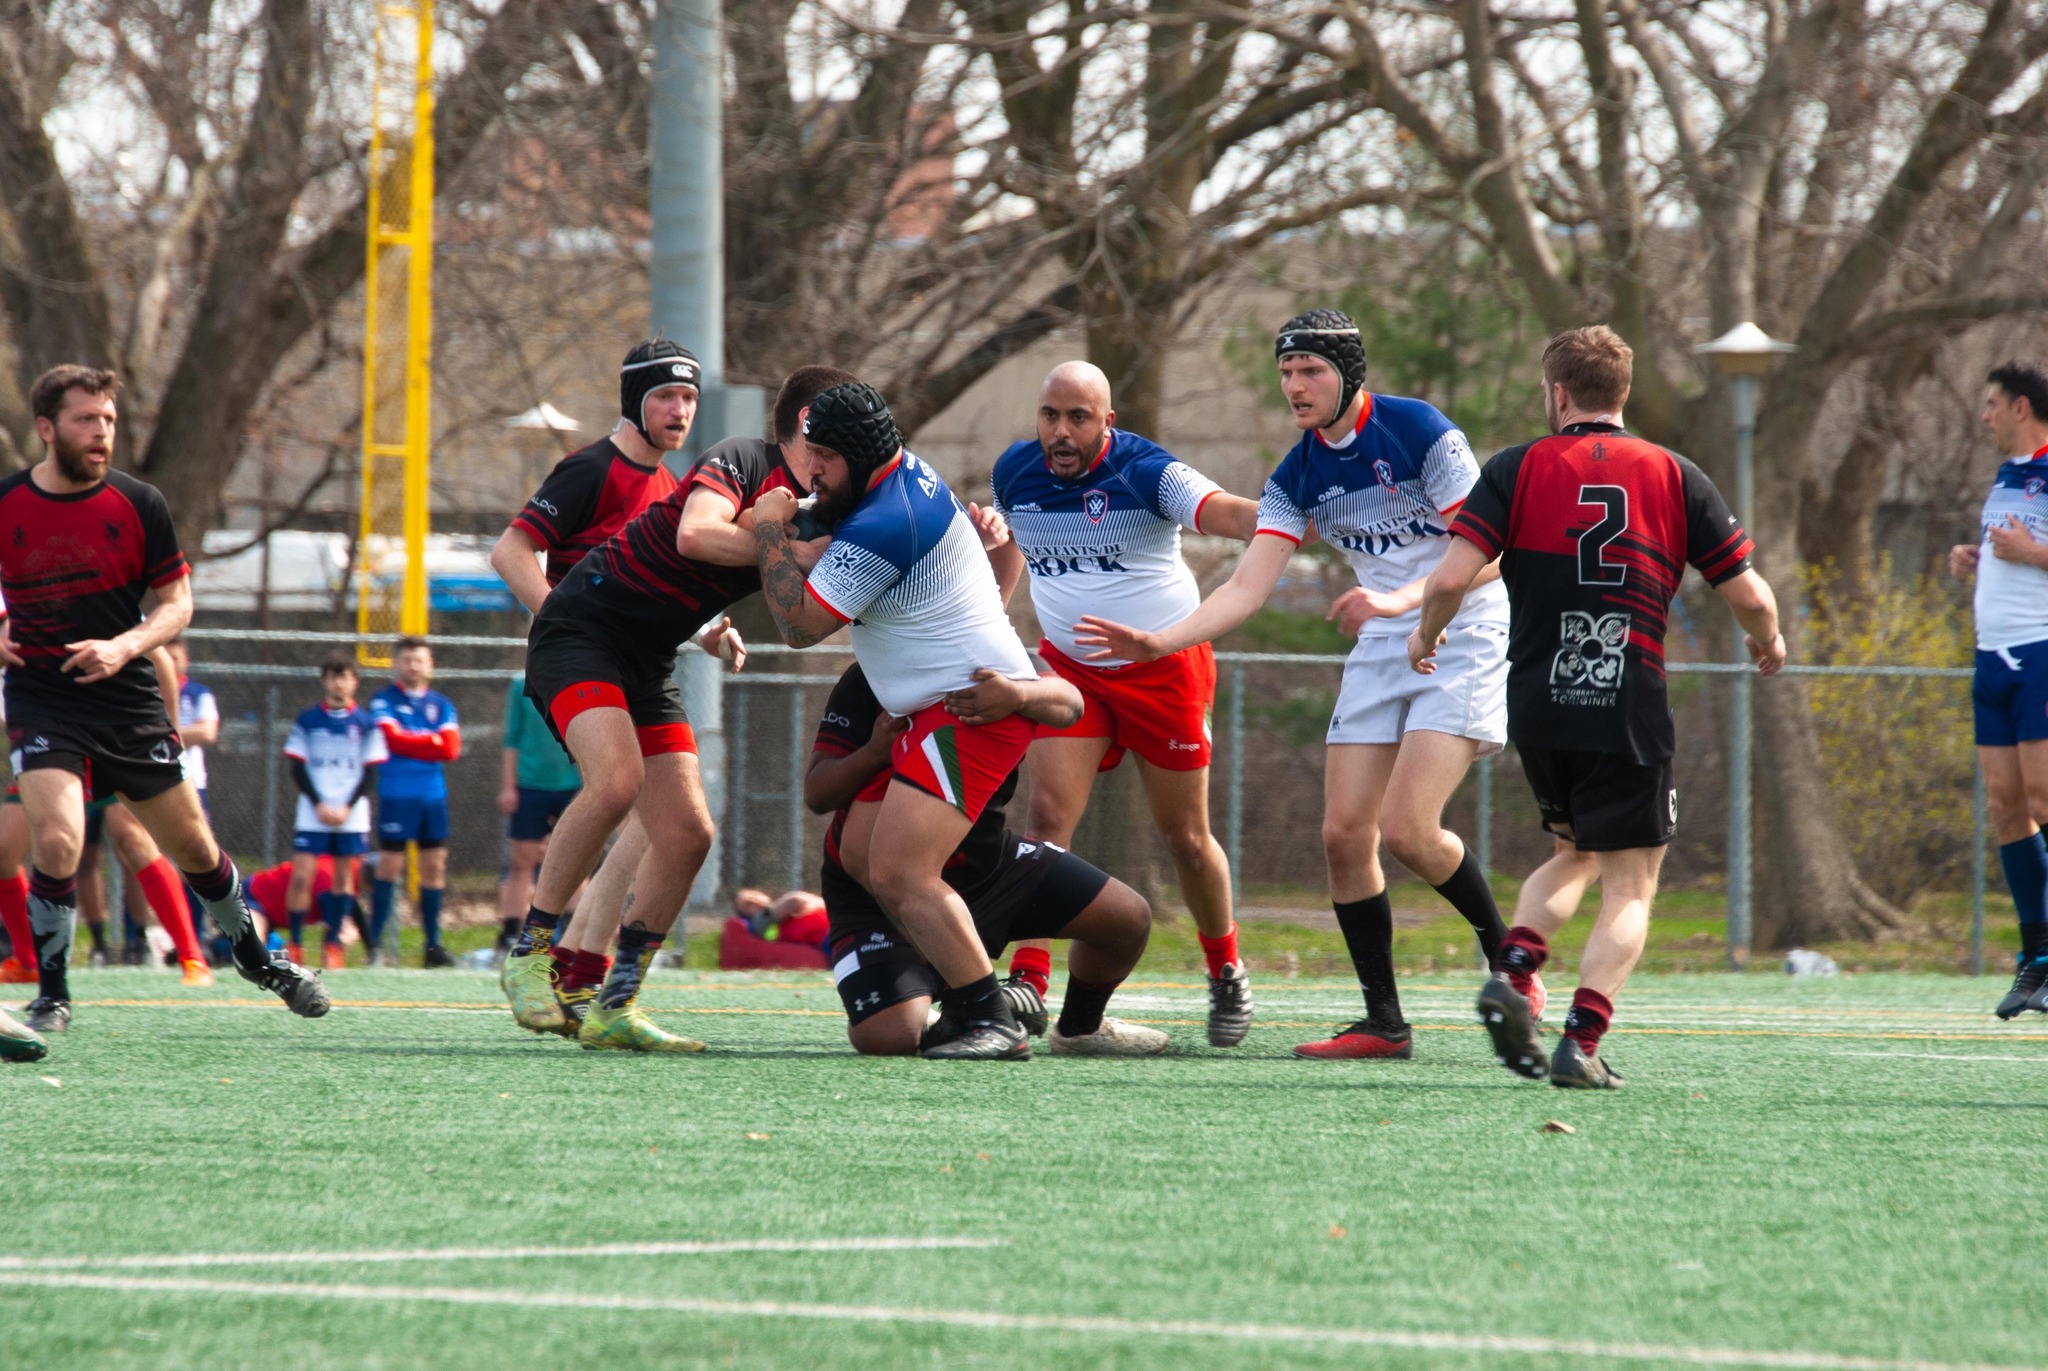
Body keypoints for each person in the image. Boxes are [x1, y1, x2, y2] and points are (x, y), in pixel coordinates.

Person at [1075, 310, 1520, 1061]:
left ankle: (1513, 960)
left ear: (1350, 373)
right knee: (1344, 836)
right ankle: (1385, 1022)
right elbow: (1247, 588)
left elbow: (1490, 553)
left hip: (1464, 624)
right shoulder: (1296, 475)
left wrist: (1403, 601)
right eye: (1286, 372)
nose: (1295, 385)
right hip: (1385, 633)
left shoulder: (1422, 433)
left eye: (1310, 370)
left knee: (1408, 830)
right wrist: (1161, 638)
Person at [1411, 324, 1784, 1089]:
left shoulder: (1515, 467)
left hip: (1539, 701)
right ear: (1623, 393)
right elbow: (1747, 592)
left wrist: (1426, 633)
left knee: (1571, 852)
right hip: (1627, 701)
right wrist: (1768, 641)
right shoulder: (1675, 474)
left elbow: (1449, 579)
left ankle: (1514, 974)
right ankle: (1581, 1042)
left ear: (1557, 394)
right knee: (1632, 884)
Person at [501, 347, 818, 1052]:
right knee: (618, 783)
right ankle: (533, 953)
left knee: (681, 830)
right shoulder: (594, 469)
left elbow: (661, 567)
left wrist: (705, 632)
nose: (680, 411)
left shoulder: (673, 482)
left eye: (689, 400)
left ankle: (605, 994)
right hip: (580, 642)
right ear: (634, 399)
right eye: (667, 397)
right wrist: (563, 616)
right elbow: (510, 553)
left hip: (640, 659)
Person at [0, 364, 327, 1033]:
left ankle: (256, 958)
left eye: (110, 420)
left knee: (196, 850)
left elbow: (178, 605)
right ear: (46, 428)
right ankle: (53, 994)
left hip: (127, 702)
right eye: (86, 419)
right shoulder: (7, 504)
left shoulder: (139, 503)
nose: (101, 432)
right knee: (58, 840)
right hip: (42, 699)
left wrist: (125, 645)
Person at [755, 381, 1055, 1060]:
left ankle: (989, 1013)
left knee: (898, 869)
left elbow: (799, 626)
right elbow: (833, 543)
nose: (813, 472)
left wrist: (767, 527)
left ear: (860, 458)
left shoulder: (887, 521)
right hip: (939, 706)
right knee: (865, 853)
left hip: (971, 708)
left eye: (825, 457)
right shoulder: (890, 480)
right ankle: (971, 994)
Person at [987, 361, 1261, 1047]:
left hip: (1162, 668)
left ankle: (1226, 969)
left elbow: (1225, 511)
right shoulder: (1014, 472)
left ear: (1108, 422)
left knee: (1186, 840)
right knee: (1048, 814)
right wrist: (993, 612)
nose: (1061, 431)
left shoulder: (1147, 471)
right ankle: (1030, 977)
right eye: (1051, 415)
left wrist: (1290, 516)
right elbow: (1016, 544)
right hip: (1072, 671)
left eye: (1079, 417)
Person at [807, 660, 1162, 1056]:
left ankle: (1080, 1028)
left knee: (1128, 918)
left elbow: (1069, 703)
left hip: (987, 866)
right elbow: (818, 794)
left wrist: (1019, 693)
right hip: (877, 893)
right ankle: (974, 1001)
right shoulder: (871, 673)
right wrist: (874, 752)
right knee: (890, 1035)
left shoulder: (993, 659)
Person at [1948, 360, 2048, 1018]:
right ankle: (2036, 958)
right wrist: (1982, 565)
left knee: (2044, 794)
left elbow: (2036, 553)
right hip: (1992, 661)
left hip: (2041, 650)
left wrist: (2030, 555)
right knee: (2008, 805)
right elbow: (2018, 551)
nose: (1982, 416)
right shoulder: (2007, 475)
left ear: (2019, 406)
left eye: (1990, 404)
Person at [283, 653, 384, 969]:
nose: (339, 684)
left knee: (343, 879)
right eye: (332, 677)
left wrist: (345, 808)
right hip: (314, 812)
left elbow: (369, 774)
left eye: (345, 677)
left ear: (354, 682)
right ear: (323, 681)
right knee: (302, 876)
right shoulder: (308, 721)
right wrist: (319, 804)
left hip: (350, 815)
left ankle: (332, 944)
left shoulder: (367, 725)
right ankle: (296, 943)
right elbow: (297, 768)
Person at [368, 637, 461, 966]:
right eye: (406, 659)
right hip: (397, 795)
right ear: (397, 663)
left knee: (434, 867)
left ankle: (432, 946)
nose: (413, 665)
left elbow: (450, 749)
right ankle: (375, 945)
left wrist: (416, 741)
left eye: (419, 659)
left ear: (430, 664)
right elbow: (389, 738)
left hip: (432, 796)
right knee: (390, 866)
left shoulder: (442, 704)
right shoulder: (384, 700)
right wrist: (430, 740)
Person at [497, 670, 580, 957]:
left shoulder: (579, 677)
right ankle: (510, 933)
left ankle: (573, 933)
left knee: (576, 859)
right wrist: (509, 786)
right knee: (522, 860)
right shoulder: (521, 683)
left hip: (573, 785)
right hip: (530, 785)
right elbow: (512, 738)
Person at [167, 637, 223, 964]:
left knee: (196, 859)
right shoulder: (148, 689)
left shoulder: (199, 693)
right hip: (149, 783)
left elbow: (208, 732)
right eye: (165, 657)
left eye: (176, 657)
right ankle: (140, 939)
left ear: (185, 659)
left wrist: (165, 733)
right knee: (142, 856)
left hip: (191, 784)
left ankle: (196, 935)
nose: (171, 664)